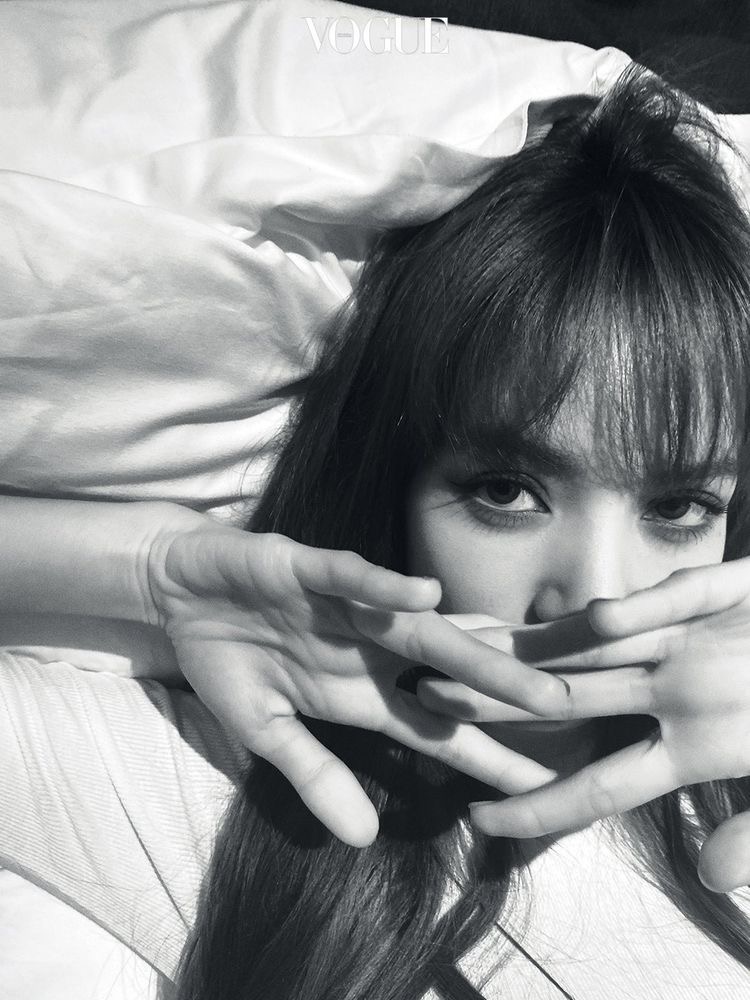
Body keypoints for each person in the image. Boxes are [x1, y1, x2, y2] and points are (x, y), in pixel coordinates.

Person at [3, 66, 750, 998]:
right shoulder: (213, 787)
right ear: (395, 489)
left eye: (678, 508)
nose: (600, 595)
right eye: (508, 491)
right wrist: (153, 573)